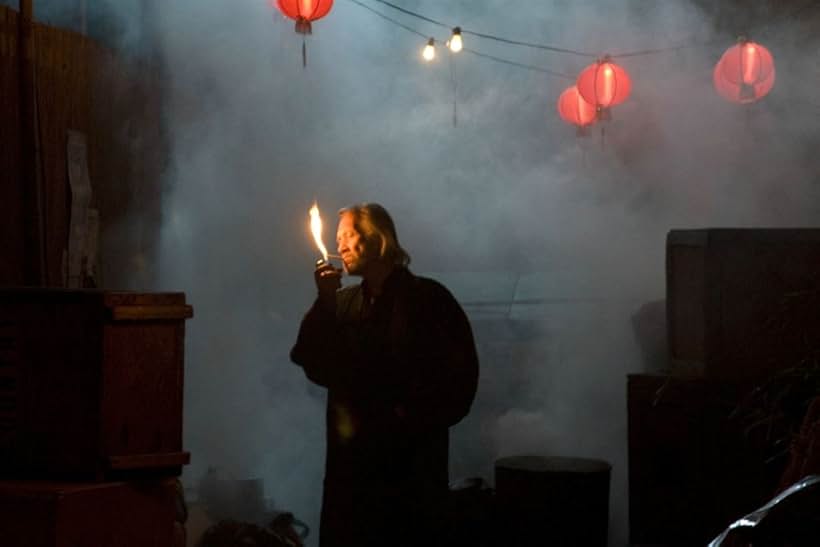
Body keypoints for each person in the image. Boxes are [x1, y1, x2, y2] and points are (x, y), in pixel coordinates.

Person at [290, 203, 479, 547]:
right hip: (352, 476)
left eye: (349, 235)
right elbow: (310, 360)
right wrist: (325, 302)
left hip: (409, 473)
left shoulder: (428, 299)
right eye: (337, 238)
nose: (341, 246)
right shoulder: (343, 303)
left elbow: (461, 378)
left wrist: (409, 417)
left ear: (379, 240)